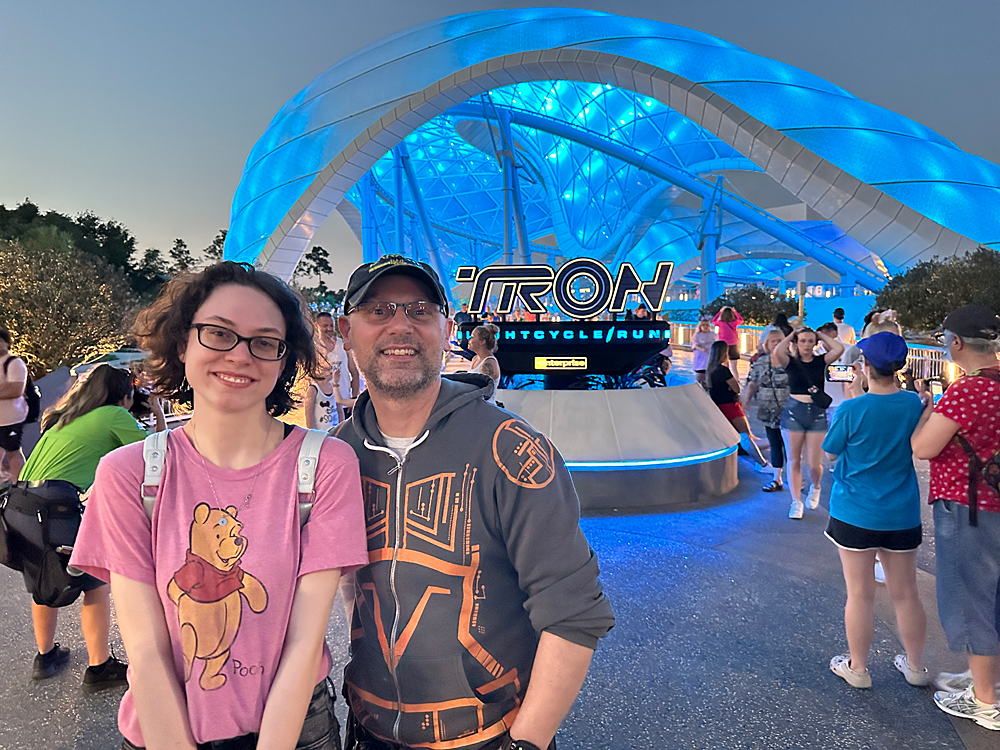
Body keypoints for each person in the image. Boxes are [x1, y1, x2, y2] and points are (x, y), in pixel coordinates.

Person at [69, 262, 370, 749]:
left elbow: (304, 641)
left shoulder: (325, 465)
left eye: (264, 342)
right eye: (219, 333)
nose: (240, 355)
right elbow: (146, 650)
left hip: (295, 724)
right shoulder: (129, 474)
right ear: (182, 343)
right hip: (163, 721)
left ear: (283, 360)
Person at [334, 254, 615, 750]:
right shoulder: (338, 455)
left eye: (420, 311)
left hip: (488, 736)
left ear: (447, 330)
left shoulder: (509, 449)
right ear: (346, 331)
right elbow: (343, 586)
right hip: (368, 729)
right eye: (378, 310)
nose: (400, 325)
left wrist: (526, 742)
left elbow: (573, 613)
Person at [6, 364, 165, 689]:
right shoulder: (113, 414)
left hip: (20, 505)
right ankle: (99, 667)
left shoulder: (65, 418)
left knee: (44, 578)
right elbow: (157, 454)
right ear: (124, 395)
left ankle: (45, 656)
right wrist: (158, 411)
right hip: (53, 508)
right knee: (95, 583)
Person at [821, 333, 928, 690]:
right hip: (901, 512)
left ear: (864, 365)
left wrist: (853, 397)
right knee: (906, 593)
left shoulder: (851, 409)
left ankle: (858, 668)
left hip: (855, 512)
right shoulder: (913, 403)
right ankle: (915, 667)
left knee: (860, 593)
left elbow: (831, 452)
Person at [911, 304, 1000, 731]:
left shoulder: (967, 391)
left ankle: (984, 702)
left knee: (969, 600)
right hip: (994, 506)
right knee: (992, 597)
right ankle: (984, 678)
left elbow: (924, 447)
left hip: (968, 509)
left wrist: (926, 412)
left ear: (957, 343)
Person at [772, 326, 844, 519]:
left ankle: (816, 486)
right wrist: (791, 335)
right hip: (794, 411)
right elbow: (777, 351)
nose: (806, 345)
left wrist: (819, 335)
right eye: (802, 341)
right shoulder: (791, 362)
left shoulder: (821, 361)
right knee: (794, 459)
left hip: (816, 413)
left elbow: (838, 349)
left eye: (810, 341)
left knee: (814, 463)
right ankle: (796, 501)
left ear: (815, 343)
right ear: (796, 343)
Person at [706, 340, 767, 466]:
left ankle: (772, 444)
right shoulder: (723, 370)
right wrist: (732, 386)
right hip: (730, 405)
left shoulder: (710, 370)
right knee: (746, 435)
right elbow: (736, 388)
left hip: (720, 404)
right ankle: (763, 462)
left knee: (746, 435)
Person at [745, 330, 791, 492]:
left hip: (789, 409)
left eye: (780, 341)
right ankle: (777, 478)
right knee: (775, 443)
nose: (777, 344)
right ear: (766, 344)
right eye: (773, 341)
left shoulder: (791, 362)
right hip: (769, 409)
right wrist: (746, 401)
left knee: (790, 445)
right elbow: (752, 382)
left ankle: (795, 478)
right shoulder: (761, 362)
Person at [317, 311, 360, 421]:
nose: (329, 329)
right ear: (316, 325)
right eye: (325, 326)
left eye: (331, 325)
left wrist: (354, 398)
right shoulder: (314, 348)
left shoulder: (343, 345)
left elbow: (354, 373)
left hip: (345, 402)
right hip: (325, 405)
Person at [0, 325, 29, 483]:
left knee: (13, 452)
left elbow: (15, 389)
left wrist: (5, 389)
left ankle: (20, 484)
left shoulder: (14, 363)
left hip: (10, 419)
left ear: (7, 342)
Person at [467, 322, 501, 403]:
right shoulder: (475, 359)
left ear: (482, 342)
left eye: (473, 337)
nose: (469, 339)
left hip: (485, 407)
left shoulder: (489, 362)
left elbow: (484, 392)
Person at [712, 306, 744, 378]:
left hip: (723, 345)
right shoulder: (734, 322)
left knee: (725, 365)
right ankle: (736, 380)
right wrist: (735, 311)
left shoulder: (720, 323)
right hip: (733, 344)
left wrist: (720, 311)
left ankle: (726, 380)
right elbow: (741, 320)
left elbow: (713, 321)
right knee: (734, 367)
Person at [692, 317, 716, 387]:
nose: (705, 327)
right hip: (700, 356)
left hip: (710, 355)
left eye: (707, 325)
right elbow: (694, 344)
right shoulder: (697, 335)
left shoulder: (712, 334)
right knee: (700, 375)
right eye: (703, 325)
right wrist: (701, 349)